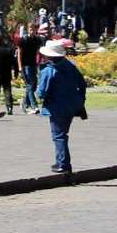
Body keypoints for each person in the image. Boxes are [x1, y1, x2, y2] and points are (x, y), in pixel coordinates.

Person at [36, 40, 86, 175]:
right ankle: (62, 161)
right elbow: (82, 84)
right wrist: (80, 100)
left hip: (55, 107)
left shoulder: (48, 71)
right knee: (63, 134)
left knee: (58, 136)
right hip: (71, 106)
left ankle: (63, 164)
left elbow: (42, 93)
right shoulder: (71, 66)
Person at [18, 24, 44, 115]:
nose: (32, 31)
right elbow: (19, 53)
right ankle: (34, 106)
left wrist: (39, 62)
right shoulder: (23, 40)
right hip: (25, 65)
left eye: (33, 29)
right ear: (27, 29)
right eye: (30, 29)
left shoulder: (37, 40)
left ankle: (25, 103)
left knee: (34, 85)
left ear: (36, 30)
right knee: (29, 85)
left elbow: (39, 51)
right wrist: (20, 66)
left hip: (33, 64)